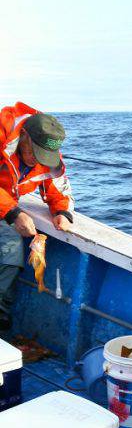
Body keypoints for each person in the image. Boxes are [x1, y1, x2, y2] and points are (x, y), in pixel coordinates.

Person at [0, 102, 74, 330]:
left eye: (44, 156)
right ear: (23, 135)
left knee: (11, 254)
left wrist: (62, 211)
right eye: (34, 152)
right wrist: (13, 213)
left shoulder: (46, 153)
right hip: (5, 207)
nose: (37, 160)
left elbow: (57, 186)